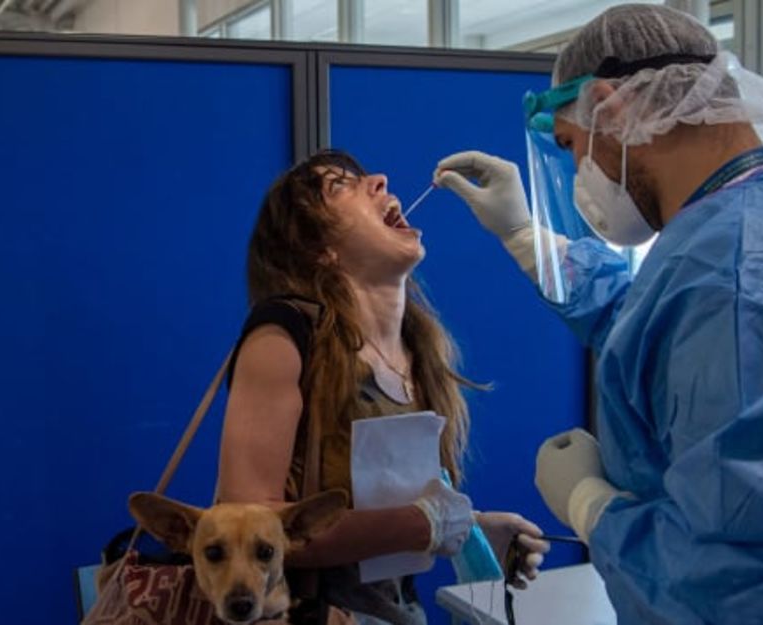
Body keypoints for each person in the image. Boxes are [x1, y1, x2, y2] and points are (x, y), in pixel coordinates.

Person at [434, 4, 763, 625]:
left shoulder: (738, 276)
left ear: (612, 109)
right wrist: (527, 240)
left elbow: (755, 593)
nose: (578, 171)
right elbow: (676, 346)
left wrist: (591, 505)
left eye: (570, 145)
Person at [216, 150, 550, 625]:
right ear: (318, 249)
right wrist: (429, 525)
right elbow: (246, 528)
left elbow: (379, 518)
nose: (380, 179)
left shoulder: (420, 352)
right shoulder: (283, 336)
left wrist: (470, 534)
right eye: (340, 186)